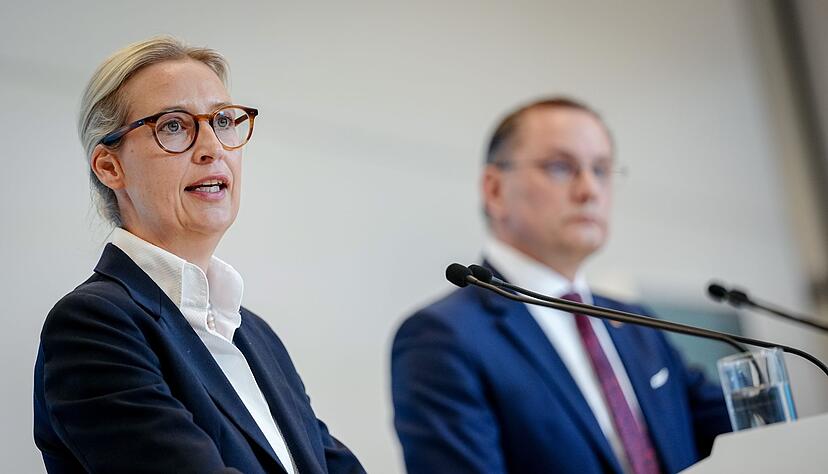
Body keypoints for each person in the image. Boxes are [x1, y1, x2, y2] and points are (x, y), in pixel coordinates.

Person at [33, 36, 364, 474]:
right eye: (173, 125)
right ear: (110, 167)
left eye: (224, 121)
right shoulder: (94, 326)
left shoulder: (255, 335)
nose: (213, 148)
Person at [391, 97, 731, 474]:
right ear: (494, 190)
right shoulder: (443, 337)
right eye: (560, 167)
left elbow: (739, 432)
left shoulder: (637, 325)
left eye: (601, 170)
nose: (590, 190)